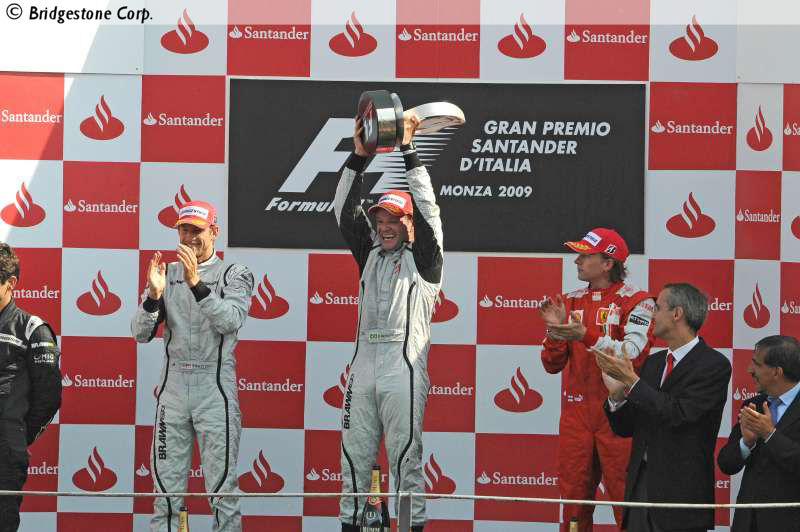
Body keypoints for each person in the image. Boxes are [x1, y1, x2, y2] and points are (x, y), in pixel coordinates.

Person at [334, 112, 442, 532]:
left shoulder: (426, 259)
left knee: (405, 460)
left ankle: (411, 526)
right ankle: (350, 526)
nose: (385, 228)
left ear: (408, 224)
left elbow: (429, 210)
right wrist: (359, 156)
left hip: (403, 367)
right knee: (353, 460)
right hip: (362, 368)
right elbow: (342, 210)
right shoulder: (370, 254)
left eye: (393, 221)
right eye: (380, 221)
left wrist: (409, 149)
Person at [131, 201, 254, 532]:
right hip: (172, 392)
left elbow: (231, 321)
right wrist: (152, 296)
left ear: (214, 232)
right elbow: (140, 334)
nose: (189, 237)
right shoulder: (166, 273)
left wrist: (196, 283)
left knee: (222, 492)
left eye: (196, 230)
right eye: (183, 230)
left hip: (215, 391)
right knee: (166, 495)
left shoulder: (235, 273)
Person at [539, 228, 655, 532]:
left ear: (607, 263)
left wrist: (584, 334)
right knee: (574, 506)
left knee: (627, 503)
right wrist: (555, 333)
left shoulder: (640, 302)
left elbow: (632, 354)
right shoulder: (568, 302)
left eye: (584, 255)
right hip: (576, 417)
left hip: (621, 416)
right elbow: (551, 365)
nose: (576, 261)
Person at [597, 283, 731, 532]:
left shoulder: (714, 365)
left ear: (677, 313)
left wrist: (632, 382)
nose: (652, 316)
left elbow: (679, 414)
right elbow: (628, 427)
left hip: (680, 494)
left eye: (657, 308)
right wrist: (617, 395)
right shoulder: (654, 363)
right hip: (640, 486)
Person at [0, 242, 61, 532]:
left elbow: (48, 398)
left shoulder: (32, 329)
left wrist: (16, 434)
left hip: (5, 450)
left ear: (11, 283)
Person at [718, 335, 800, 532]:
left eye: (756, 364)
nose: (749, 370)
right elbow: (726, 464)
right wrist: (746, 443)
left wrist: (770, 434)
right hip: (747, 523)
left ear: (777, 372)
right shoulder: (753, 405)